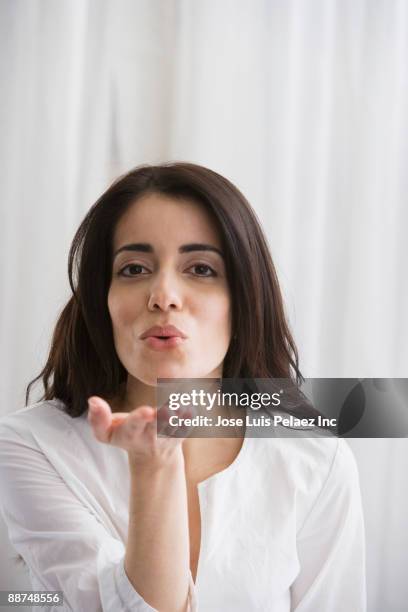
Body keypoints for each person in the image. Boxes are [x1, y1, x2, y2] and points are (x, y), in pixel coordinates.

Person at [0, 162, 366, 611]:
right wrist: (154, 466)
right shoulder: (30, 444)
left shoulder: (317, 463)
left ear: (245, 298)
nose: (164, 295)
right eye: (134, 269)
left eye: (201, 269)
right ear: (103, 300)